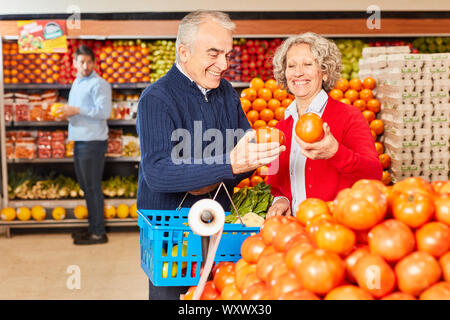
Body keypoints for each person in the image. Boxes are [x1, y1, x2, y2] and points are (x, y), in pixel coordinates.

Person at [136, 10, 285, 300]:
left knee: (220, 295)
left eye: (227, 54)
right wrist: (226, 165)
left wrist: (234, 165)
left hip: (221, 230)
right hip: (171, 236)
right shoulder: (156, 99)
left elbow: (245, 154)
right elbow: (157, 172)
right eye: (214, 54)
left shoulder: (226, 92)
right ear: (184, 52)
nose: (224, 64)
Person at [266, 32, 382, 218]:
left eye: (308, 64)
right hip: (290, 231)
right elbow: (275, 184)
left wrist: (335, 152)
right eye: (291, 65)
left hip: (336, 230)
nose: (298, 72)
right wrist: (281, 199)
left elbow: (374, 174)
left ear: (325, 72)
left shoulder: (349, 116)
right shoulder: (280, 128)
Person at [58, 45, 112, 245]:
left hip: (93, 142)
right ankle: (92, 227)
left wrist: (75, 110)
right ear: (75, 63)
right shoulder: (78, 82)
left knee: (92, 187)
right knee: (86, 187)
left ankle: (98, 232)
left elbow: (104, 111)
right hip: (80, 140)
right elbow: (80, 111)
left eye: (89, 61)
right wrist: (68, 112)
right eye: (82, 61)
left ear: (94, 63)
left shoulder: (99, 84)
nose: (86, 65)